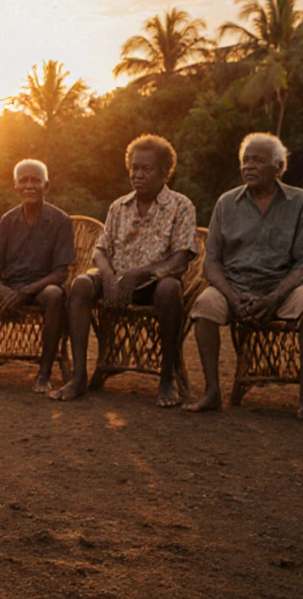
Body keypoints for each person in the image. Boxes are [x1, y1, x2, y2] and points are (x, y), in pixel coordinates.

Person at [185, 132, 303, 420]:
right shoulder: (226, 203)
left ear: (278, 167)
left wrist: (274, 298)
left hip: (283, 289)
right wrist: (234, 299)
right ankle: (212, 392)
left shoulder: (302, 202)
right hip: (235, 288)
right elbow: (212, 261)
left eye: (258, 161)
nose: (248, 166)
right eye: (245, 160)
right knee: (204, 306)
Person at [52, 135, 199, 404]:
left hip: (154, 283)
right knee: (82, 285)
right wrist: (107, 276)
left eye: (146, 169)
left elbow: (179, 260)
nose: (137, 174)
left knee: (170, 289)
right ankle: (79, 377)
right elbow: (100, 250)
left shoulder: (181, 206)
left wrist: (138, 274)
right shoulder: (119, 206)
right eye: (134, 167)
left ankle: (166, 379)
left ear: (165, 172)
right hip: (116, 281)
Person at [0, 159, 74, 392]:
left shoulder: (61, 221)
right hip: (8, 287)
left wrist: (26, 291)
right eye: (23, 180)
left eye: (35, 180)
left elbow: (61, 273)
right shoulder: (8, 220)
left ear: (46, 186)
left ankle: (43, 373)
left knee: (55, 295)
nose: (29, 185)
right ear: (16, 186)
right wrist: (0, 290)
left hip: (39, 289)